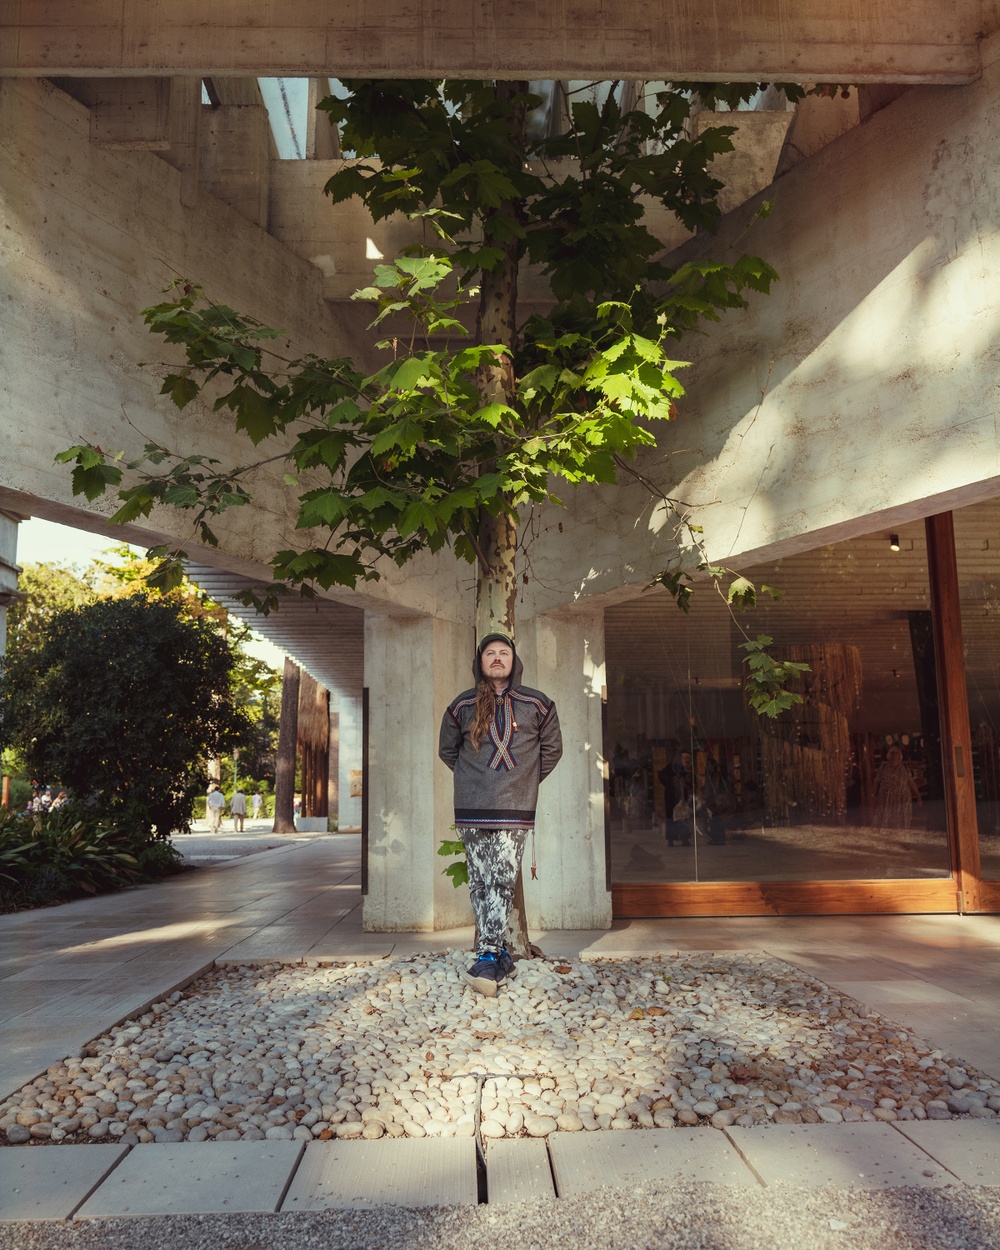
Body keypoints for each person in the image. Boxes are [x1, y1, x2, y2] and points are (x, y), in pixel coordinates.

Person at [439, 633, 563, 997]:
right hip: (471, 805)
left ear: (514, 660)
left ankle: (490, 954)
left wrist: (521, 781)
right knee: (479, 879)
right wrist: (473, 779)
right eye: (490, 653)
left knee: (502, 878)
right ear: (480, 662)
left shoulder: (537, 704)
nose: (496, 658)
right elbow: (448, 751)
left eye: (503, 653)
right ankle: (494, 954)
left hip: (516, 806)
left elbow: (552, 751)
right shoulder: (461, 705)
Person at [875, 746, 922, 830]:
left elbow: (911, 782)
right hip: (887, 800)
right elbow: (876, 782)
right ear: (889, 755)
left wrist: (918, 796)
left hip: (902, 800)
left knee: (902, 823)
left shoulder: (905, 768)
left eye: (896, 753)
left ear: (900, 755)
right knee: (886, 822)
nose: (894, 755)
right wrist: (873, 795)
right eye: (892, 753)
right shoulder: (883, 768)